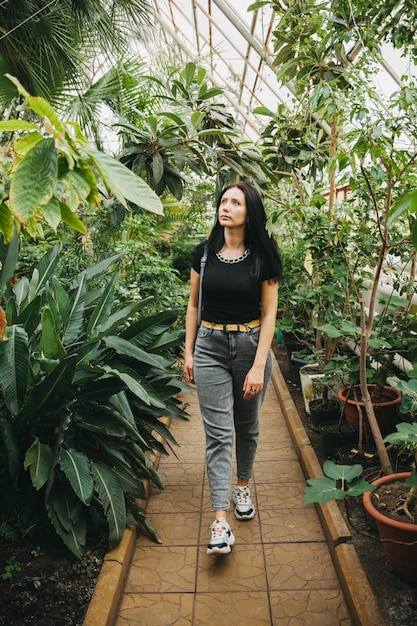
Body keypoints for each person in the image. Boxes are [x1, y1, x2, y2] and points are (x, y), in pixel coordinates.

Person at [183, 181, 282, 555]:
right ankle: (220, 521)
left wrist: (259, 365)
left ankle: (244, 484)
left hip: (250, 346)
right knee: (219, 434)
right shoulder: (204, 254)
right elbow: (193, 305)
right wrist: (189, 351)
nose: (226, 207)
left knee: (247, 427)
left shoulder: (264, 256)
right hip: (209, 348)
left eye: (235, 202)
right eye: (223, 201)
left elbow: (270, 313)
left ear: (249, 212)